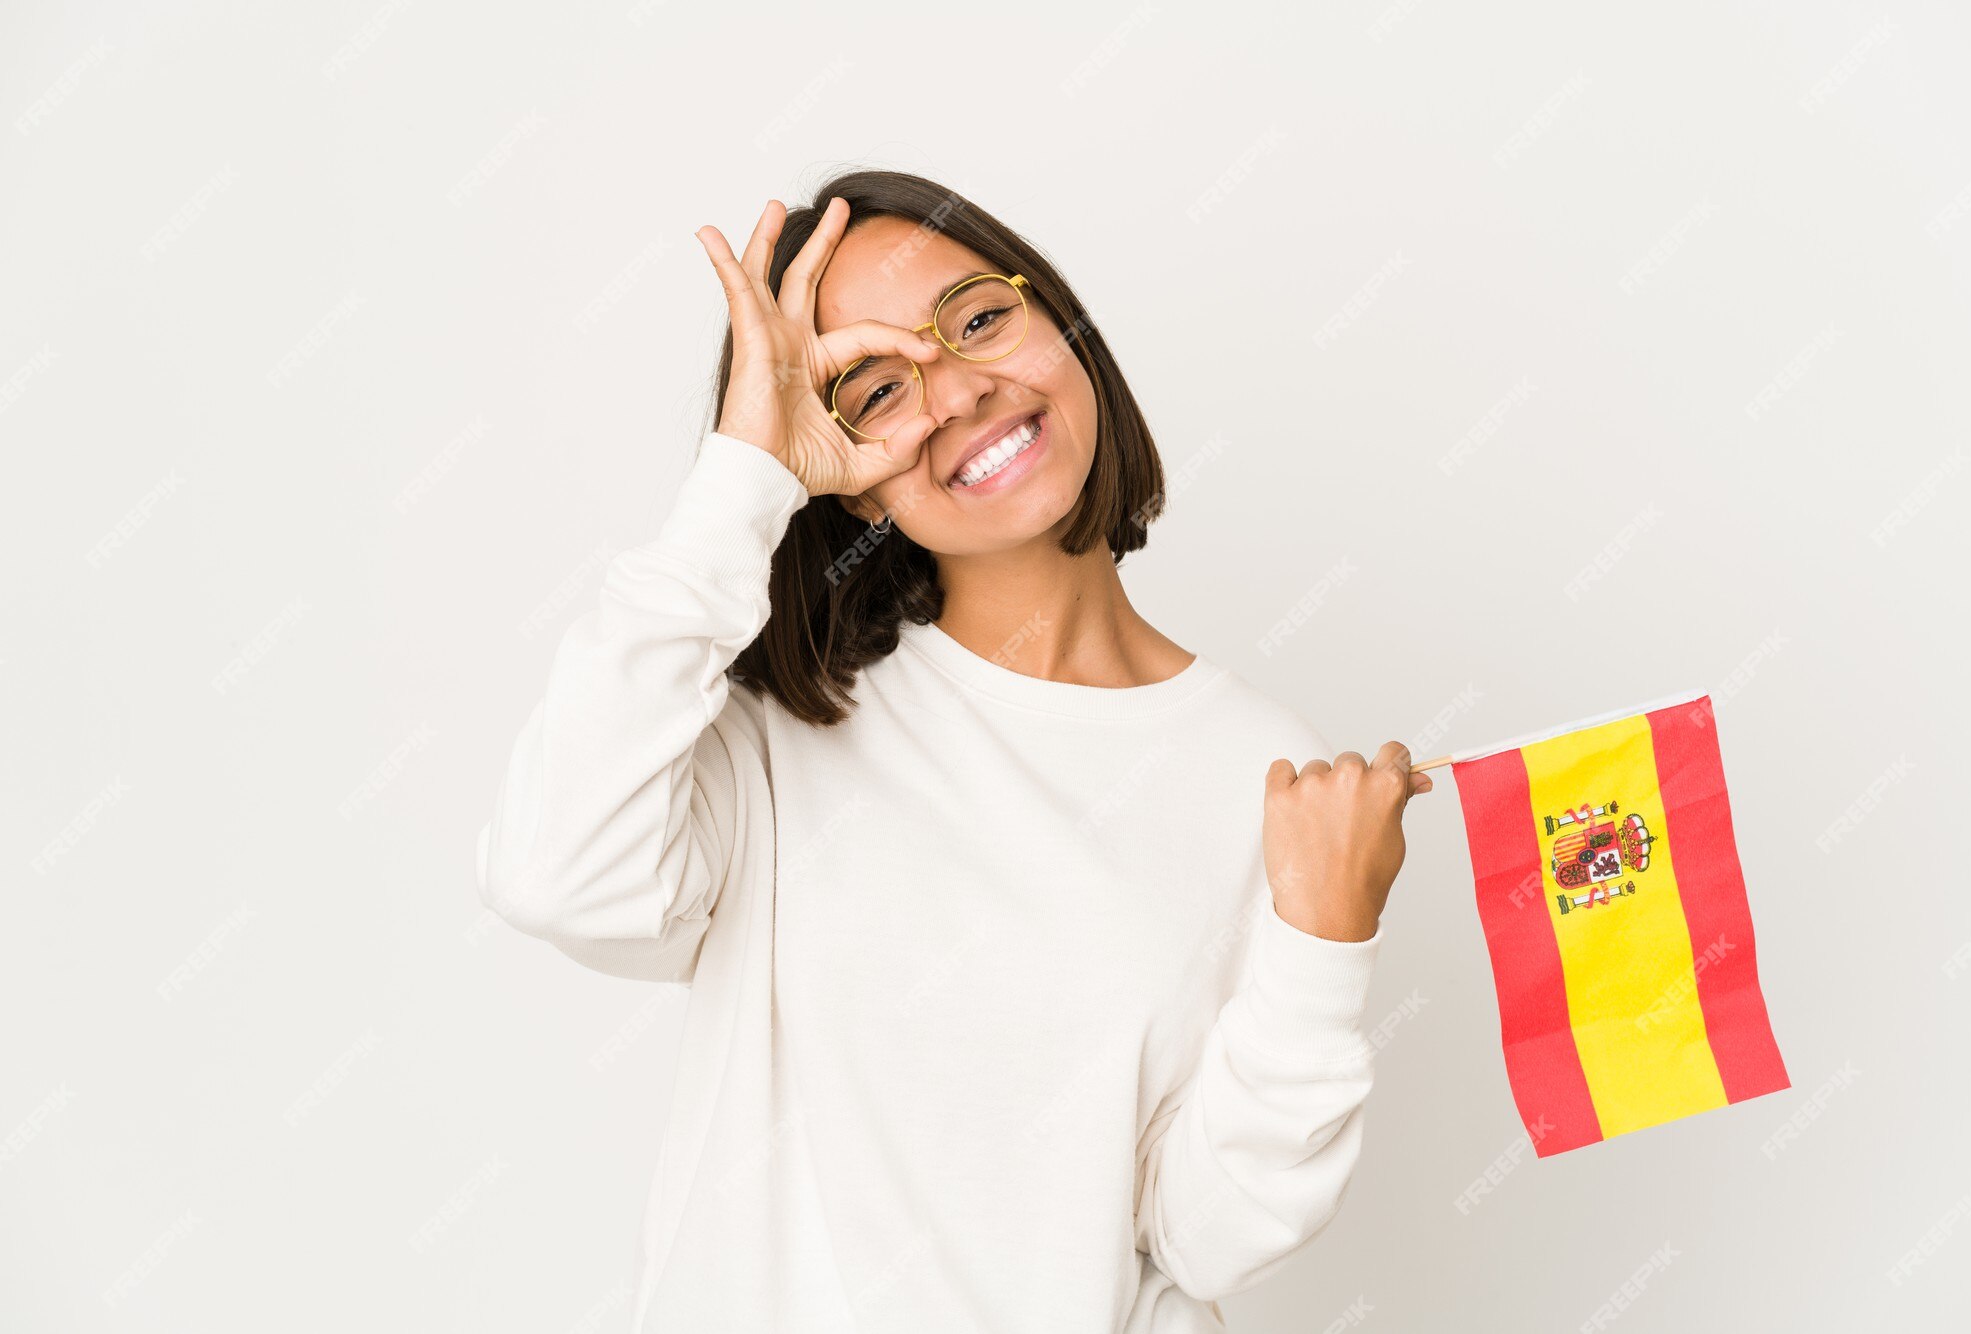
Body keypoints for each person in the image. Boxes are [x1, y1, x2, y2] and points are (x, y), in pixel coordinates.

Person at [475, 168, 1432, 1334]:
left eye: (978, 319)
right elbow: (555, 871)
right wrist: (744, 479)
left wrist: (1324, 944)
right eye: (876, 389)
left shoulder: (1265, 766)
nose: (962, 390)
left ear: (1060, 322)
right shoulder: (781, 732)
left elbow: (1205, 1232)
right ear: (837, 470)